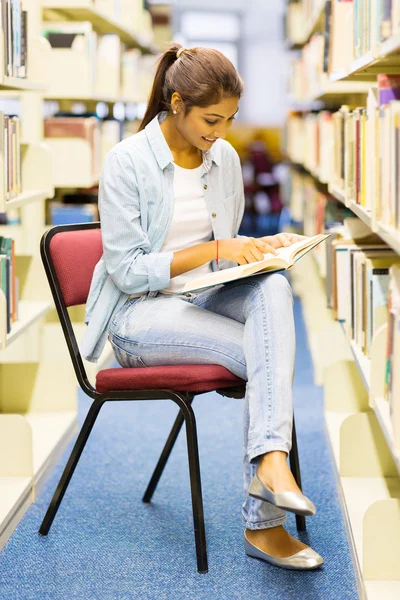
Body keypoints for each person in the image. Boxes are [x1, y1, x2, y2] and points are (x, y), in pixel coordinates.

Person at [81, 43, 324, 571]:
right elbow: (127, 271)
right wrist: (217, 249)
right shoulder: (126, 162)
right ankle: (266, 517)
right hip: (138, 317)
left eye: (230, 120)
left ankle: (270, 464)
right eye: (211, 119)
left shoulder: (225, 159)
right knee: (269, 353)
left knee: (275, 288)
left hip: (205, 296)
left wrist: (258, 255)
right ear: (175, 103)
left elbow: (228, 247)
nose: (222, 131)